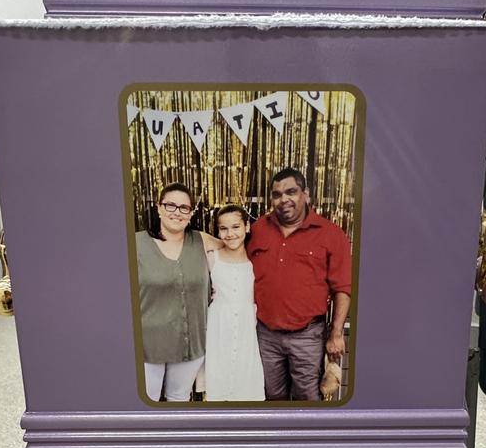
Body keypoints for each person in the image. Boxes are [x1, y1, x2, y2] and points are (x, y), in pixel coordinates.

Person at [247, 168, 352, 401]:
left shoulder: (331, 234)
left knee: (307, 398)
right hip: (265, 334)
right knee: (270, 396)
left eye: (291, 192)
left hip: (307, 335)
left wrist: (336, 334)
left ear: (306, 194)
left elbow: (342, 288)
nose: (284, 199)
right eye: (277, 194)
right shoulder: (257, 230)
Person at [136, 182, 223, 402]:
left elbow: (234, 248)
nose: (177, 212)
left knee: (179, 397)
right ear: (158, 207)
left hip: (191, 342)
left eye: (184, 207)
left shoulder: (200, 240)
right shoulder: (136, 244)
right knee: (149, 400)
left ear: (191, 213)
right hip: (148, 345)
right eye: (170, 205)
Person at [204, 205, 265, 401]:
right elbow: (194, 236)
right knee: (219, 386)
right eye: (224, 228)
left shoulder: (256, 260)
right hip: (219, 329)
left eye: (236, 227)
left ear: (247, 227)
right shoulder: (212, 257)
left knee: (247, 387)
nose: (230, 234)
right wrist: (219, 243)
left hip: (248, 331)